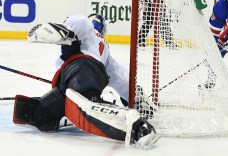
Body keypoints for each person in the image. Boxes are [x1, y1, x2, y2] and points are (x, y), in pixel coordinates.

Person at [13, 15, 159, 149]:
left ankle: (139, 127)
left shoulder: (86, 28)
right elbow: (121, 79)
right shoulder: (105, 51)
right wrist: (138, 98)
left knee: (89, 107)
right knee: (38, 116)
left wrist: (51, 30)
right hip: (71, 80)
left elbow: (77, 24)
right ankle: (76, 112)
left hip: (81, 71)